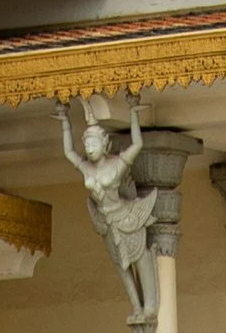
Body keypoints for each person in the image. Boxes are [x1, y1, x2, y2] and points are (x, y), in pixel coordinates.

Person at [61, 99, 165, 329]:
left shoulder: (116, 165)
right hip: (106, 222)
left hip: (126, 217)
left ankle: (148, 308)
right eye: (86, 142)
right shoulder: (86, 167)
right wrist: (65, 123)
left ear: (104, 143)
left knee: (139, 260)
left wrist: (133, 115)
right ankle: (137, 309)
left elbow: (137, 145)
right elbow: (68, 152)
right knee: (121, 267)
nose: (88, 147)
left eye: (93, 142)